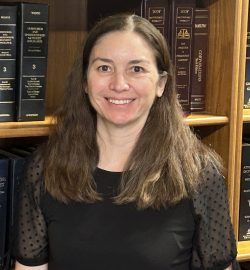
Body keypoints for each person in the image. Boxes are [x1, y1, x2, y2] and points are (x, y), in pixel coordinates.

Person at [13, 13, 240, 270]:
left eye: (137, 69)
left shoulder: (199, 174)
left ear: (161, 84)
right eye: (104, 68)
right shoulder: (45, 168)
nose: (119, 84)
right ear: (85, 82)